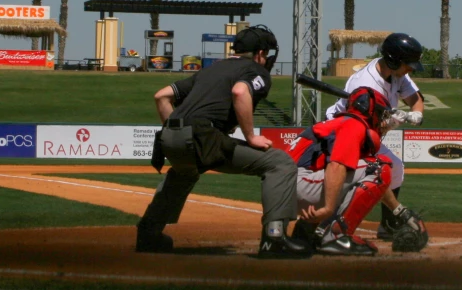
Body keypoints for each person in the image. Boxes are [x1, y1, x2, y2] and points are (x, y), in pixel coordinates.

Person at [135, 25, 310, 259]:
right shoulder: (254, 70)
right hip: (202, 135)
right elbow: (240, 92)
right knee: (280, 163)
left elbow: (162, 96)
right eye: (265, 54)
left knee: (184, 172)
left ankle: (148, 233)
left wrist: (178, 133)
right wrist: (251, 136)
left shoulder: (211, 70)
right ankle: (274, 237)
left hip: (170, 136)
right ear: (259, 53)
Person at [324, 32, 425, 242]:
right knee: (363, 174)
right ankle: (332, 226)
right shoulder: (364, 84)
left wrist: (416, 113)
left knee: (395, 167)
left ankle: (388, 225)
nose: (410, 69)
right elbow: (364, 128)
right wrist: (390, 123)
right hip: (342, 130)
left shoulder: (398, 73)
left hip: (368, 129)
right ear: (393, 60)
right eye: (408, 64)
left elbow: (416, 99)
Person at [288, 86, 405, 256]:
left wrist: (399, 210)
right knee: (379, 167)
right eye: (379, 113)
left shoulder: (338, 123)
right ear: (369, 111)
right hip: (297, 184)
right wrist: (328, 208)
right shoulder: (354, 125)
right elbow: (336, 166)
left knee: (348, 179)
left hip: (282, 189)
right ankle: (337, 235)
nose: (380, 119)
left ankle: (305, 232)